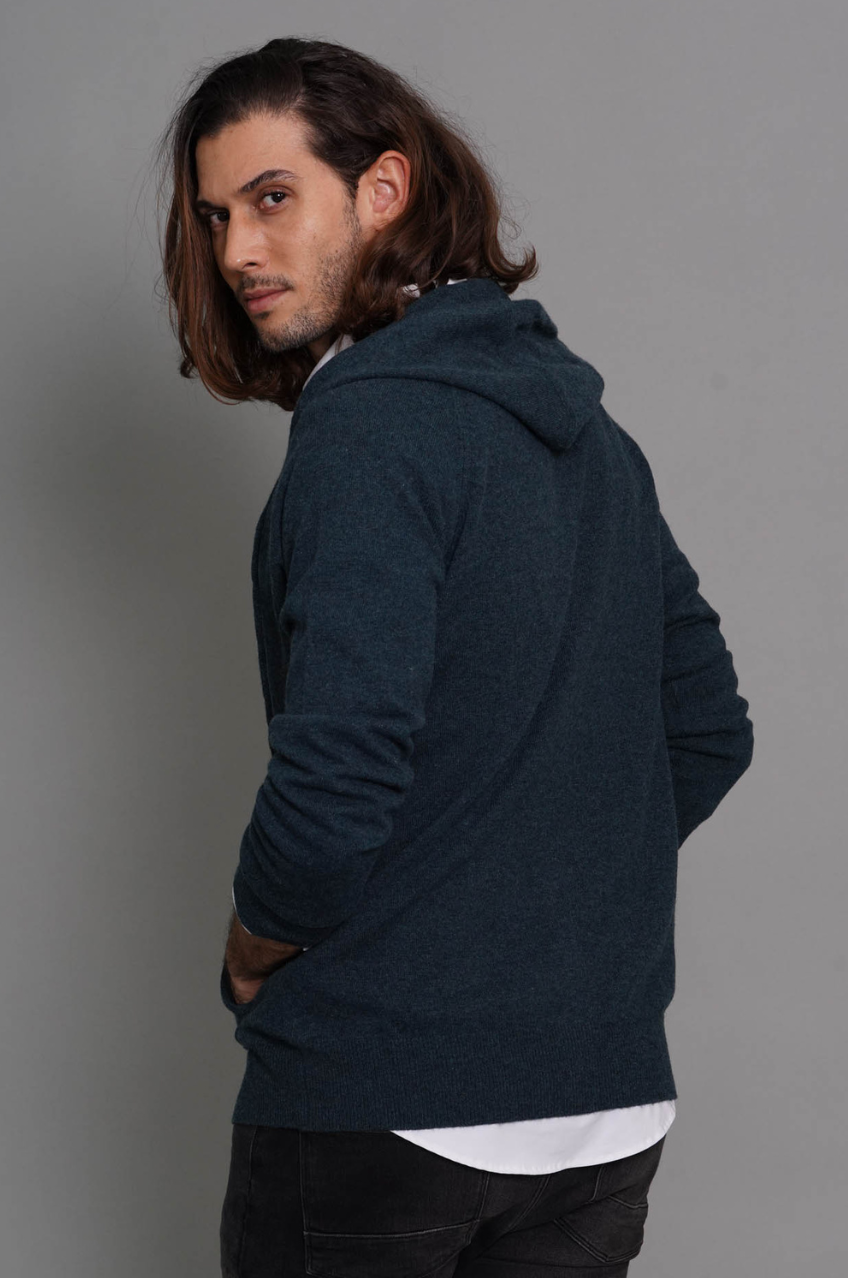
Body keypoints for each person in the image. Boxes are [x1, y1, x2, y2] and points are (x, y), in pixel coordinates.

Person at [151, 36, 754, 1278]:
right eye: (215, 216)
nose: (237, 250)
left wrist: (254, 944)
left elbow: (336, 779)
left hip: (386, 1107)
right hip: (598, 1111)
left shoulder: (367, 430)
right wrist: (535, 914)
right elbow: (706, 730)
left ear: (383, 190)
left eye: (272, 199)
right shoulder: (594, 439)